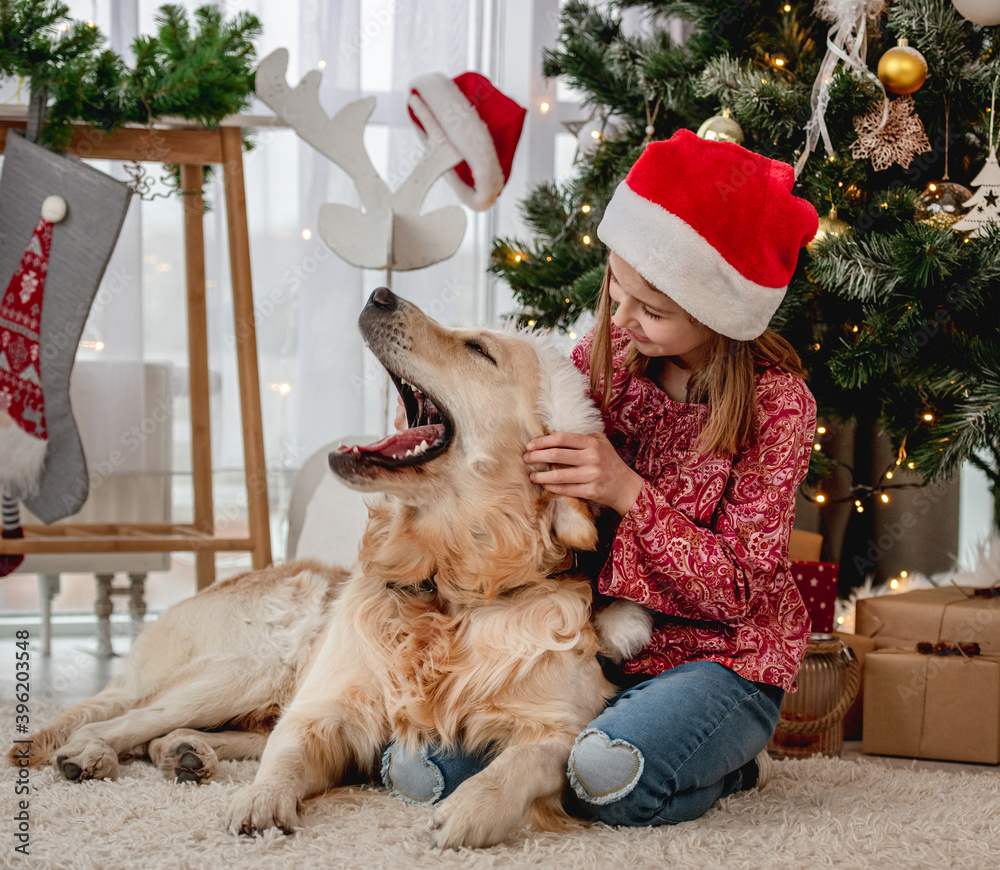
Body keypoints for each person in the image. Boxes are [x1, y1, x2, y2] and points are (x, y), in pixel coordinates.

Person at [382, 128, 819, 827]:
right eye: (617, 285)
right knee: (424, 769)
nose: (620, 319)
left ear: (717, 313)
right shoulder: (609, 354)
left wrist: (625, 491)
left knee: (607, 778)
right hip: (598, 649)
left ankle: (732, 765)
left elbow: (739, 589)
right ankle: (630, 745)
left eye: (651, 309)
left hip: (722, 661)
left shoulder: (779, 406)